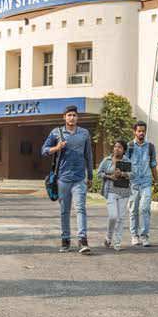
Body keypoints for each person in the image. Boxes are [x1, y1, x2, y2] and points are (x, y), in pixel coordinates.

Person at [41, 105, 93, 254]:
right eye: (69, 115)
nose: (72, 118)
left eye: (74, 115)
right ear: (64, 117)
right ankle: (65, 240)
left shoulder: (84, 133)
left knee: (81, 208)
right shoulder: (56, 132)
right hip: (62, 178)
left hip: (79, 178)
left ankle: (82, 240)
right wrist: (56, 148)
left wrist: (90, 176)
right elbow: (44, 150)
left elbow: (88, 155)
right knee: (64, 211)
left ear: (78, 118)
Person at [97, 140, 132, 251]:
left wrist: (123, 174)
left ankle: (117, 242)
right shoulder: (107, 160)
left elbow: (133, 174)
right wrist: (109, 176)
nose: (117, 149)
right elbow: (99, 173)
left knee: (121, 218)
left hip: (124, 192)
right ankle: (108, 236)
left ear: (124, 150)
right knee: (113, 216)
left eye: (120, 147)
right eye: (115, 146)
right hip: (111, 191)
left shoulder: (127, 161)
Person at [128, 121, 157, 247]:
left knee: (145, 209)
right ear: (134, 132)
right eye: (139, 131)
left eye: (143, 131)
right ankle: (134, 235)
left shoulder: (150, 147)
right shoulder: (129, 146)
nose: (141, 133)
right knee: (133, 210)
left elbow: (153, 165)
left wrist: (156, 181)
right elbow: (124, 164)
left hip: (146, 182)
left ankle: (144, 236)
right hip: (133, 183)